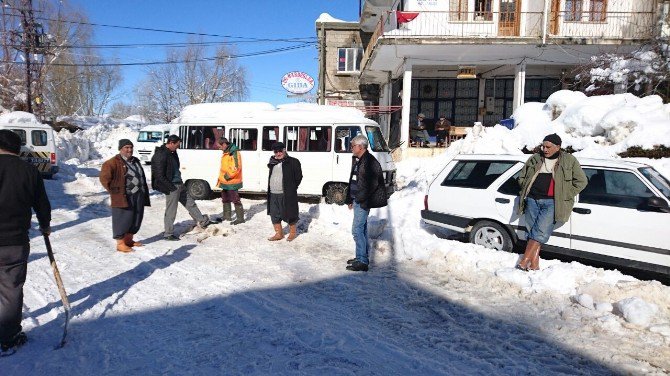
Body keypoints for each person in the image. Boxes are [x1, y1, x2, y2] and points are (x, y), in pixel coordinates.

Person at [0, 130, 51, 353]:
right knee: (11, 288)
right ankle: (8, 336)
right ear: (18, 149)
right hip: (14, 241)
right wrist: (45, 224)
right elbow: (42, 203)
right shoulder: (29, 170)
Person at [516, 133, 587, 271]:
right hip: (532, 199)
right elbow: (522, 176)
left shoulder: (569, 160)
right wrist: (525, 187)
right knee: (532, 232)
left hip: (552, 202)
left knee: (540, 232)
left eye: (548, 147)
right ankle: (535, 265)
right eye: (543, 146)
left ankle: (525, 260)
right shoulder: (535, 158)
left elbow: (581, 181)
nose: (544, 149)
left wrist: (565, 194)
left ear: (558, 147)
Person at [151, 135, 211, 241]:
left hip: (179, 184)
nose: (178, 147)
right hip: (171, 187)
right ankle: (168, 234)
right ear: (171, 143)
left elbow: (175, 169)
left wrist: (180, 182)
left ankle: (202, 222)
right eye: (177, 145)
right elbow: (158, 175)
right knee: (171, 211)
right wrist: (171, 187)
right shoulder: (160, 154)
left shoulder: (173, 153)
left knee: (190, 203)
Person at [345, 135, 388, 272]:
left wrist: (359, 198)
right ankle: (360, 257)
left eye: (353, 145)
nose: (351, 148)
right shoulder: (360, 160)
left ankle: (362, 261)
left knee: (356, 230)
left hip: (363, 201)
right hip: (358, 200)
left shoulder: (370, 162)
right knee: (361, 229)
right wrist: (350, 198)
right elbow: (355, 180)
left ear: (360, 146)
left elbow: (372, 184)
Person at [100, 139, 151, 252]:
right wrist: (115, 191)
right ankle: (120, 243)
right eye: (126, 147)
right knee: (122, 218)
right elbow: (104, 178)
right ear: (121, 149)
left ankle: (128, 240)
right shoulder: (112, 162)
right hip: (124, 196)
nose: (129, 150)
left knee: (136, 218)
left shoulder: (135, 161)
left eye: (131, 147)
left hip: (138, 194)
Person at [266, 142, 302, 242]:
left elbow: (298, 177)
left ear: (284, 150)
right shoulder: (272, 162)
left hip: (286, 193)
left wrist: (292, 187)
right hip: (273, 193)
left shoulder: (293, 161)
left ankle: (293, 233)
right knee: (274, 214)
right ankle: (279, 233)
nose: (278, 153)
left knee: (289, 213)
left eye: (280, 151)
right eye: (276, 151)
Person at [216, 137, 245, 225]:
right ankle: (226, 216)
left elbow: (236, 167)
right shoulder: (226, 152)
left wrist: (227, 176)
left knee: (235, 199)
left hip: (232, 181)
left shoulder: (234, 152)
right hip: (224, 180)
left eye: (219, 146)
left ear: (224, 144)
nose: (219, 148)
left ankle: (240, 218)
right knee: (225, 198)